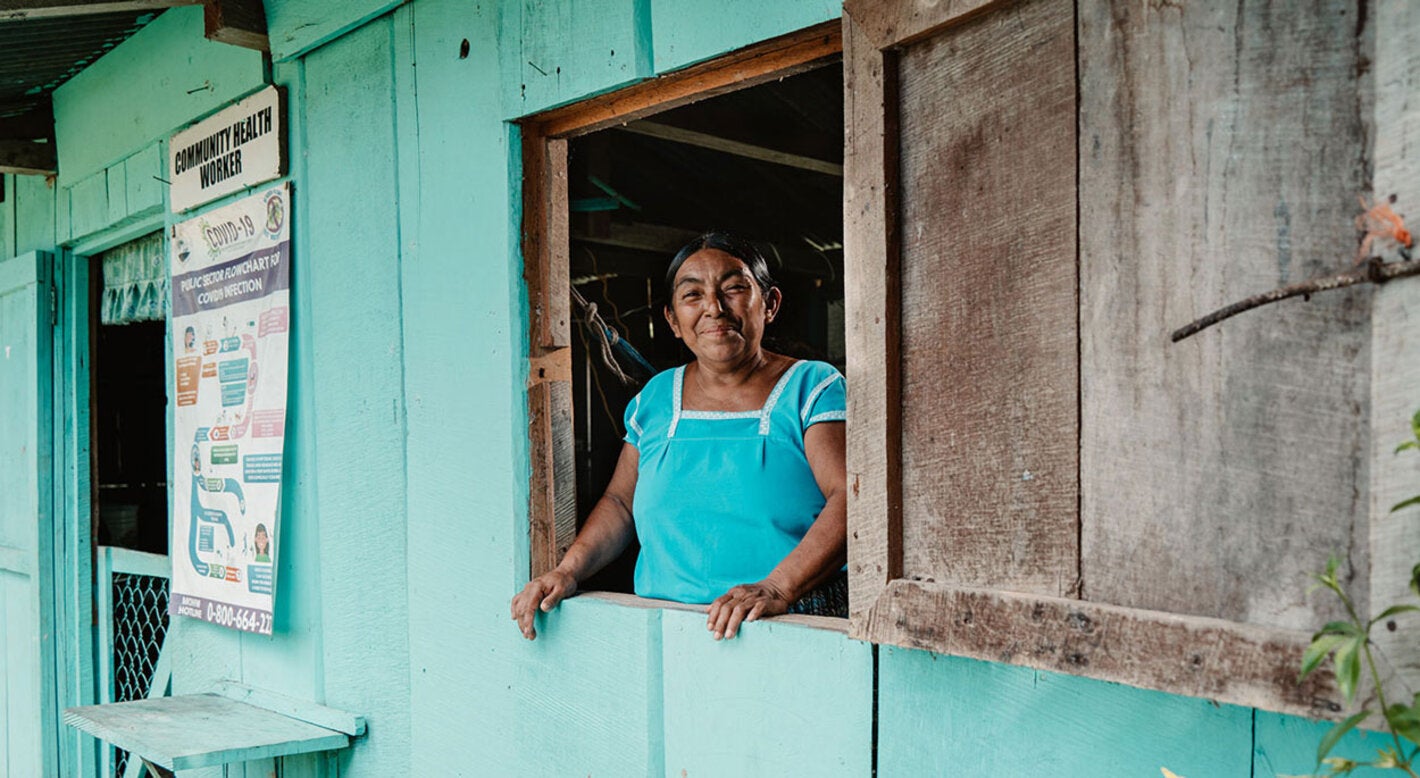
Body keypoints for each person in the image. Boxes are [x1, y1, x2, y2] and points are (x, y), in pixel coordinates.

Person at [511, 232, 847, 641]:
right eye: (692, 295)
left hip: (785, 620)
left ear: (770, 304)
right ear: (672, 319)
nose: (713, 308)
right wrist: (567, 570)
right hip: (666, 627)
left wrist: (778, 587)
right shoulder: (655, 398)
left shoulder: (811, 386)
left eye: (734, 288)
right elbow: (620, 503)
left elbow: (849, 496)